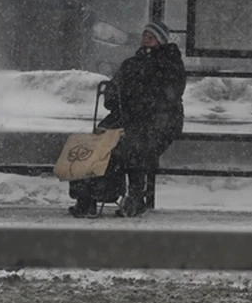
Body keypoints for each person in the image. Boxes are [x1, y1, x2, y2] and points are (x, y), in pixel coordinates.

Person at [69, 20, 186, 218]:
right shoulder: (133, 63)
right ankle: (87, 198)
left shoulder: (170, 64)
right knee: (95, 143)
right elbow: (116, 88)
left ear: (161, 40)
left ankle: (135, 197)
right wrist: (116, 98)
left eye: (151, 37)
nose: (146, 39)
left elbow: (170, 94)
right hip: (129, 117)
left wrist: (141, 102)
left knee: (133, 146)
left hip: (159, 121)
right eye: (145, 35)